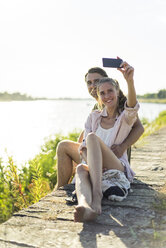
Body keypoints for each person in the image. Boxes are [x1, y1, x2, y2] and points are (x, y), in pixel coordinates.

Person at [55, 65, 144, 190]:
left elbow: (139, 127)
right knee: (64, 146)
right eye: (89, 83)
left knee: (88, 144)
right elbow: (86, 138)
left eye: (96, 81)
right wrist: (84, 153)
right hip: (94, 156)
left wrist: (122, 146)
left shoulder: (121, 106)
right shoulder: (96, 112)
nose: (93, 85)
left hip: (114, 158)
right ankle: (61, 189)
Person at [74, 61, 140, 222]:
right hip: (97, 166)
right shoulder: (93, 117)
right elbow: (83, 149)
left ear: (117, 92)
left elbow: (132, 106)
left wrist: (129, 81)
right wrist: (92, 163)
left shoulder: (124, 117)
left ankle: (97, 197)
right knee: (82, 168)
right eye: (102, 93)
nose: (107, 95)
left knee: (91, 138)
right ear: (99, 97)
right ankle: (84, 206)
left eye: (110, 91)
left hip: (116, 164)